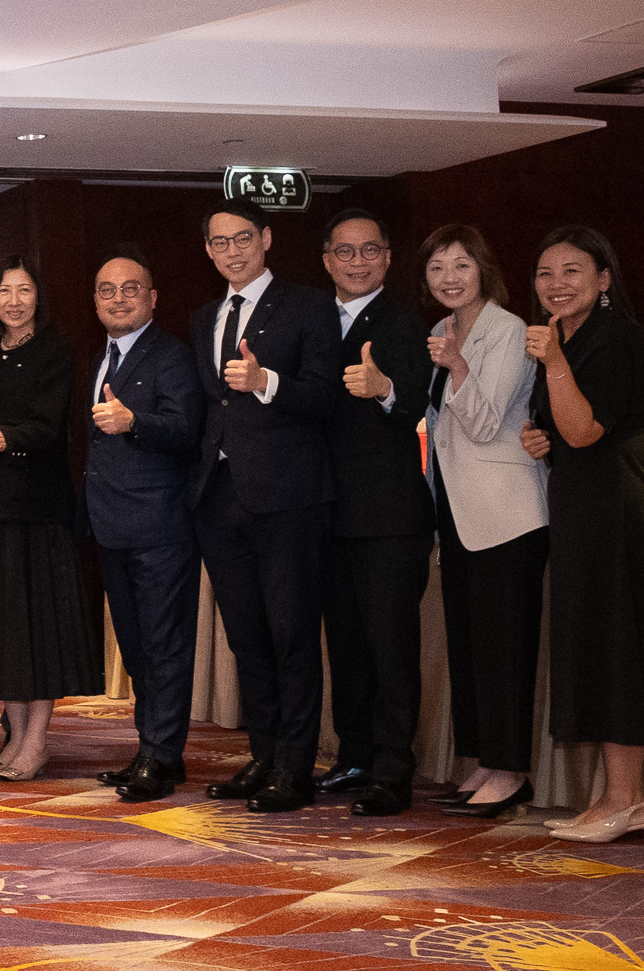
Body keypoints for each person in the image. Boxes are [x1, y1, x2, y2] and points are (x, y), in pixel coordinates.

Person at [189, 201, 343, 812]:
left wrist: (266, 383)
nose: (232, 251)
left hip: (289, 498)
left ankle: (295, 768)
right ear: (208, 250)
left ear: (267, 238)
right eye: (220, 241)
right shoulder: (204, 316)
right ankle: (263, 755)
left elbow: (326, 397)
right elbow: (211, 408)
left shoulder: (308, 306)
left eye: (243, 238)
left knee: (291, 633)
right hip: (221, 497)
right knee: (247, 637)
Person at [523, 227, 644, 843]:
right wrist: (539, 438)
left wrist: (554, 365)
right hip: (581, 510)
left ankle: (625, 800)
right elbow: (564, 430)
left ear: (604, 278)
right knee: (592, 644)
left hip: (616, 511)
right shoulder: (568, 338)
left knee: (619, 649)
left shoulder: (617, 338)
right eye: (545, 273)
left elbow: (585, 431)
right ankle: (613, 797)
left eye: (572, 271)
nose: (555, 284)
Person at [0, 255, 92, 782]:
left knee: (38, 629)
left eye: (24, 290)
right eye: (5, 291)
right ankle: (17, 739)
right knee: (7, 631)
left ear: (38, 296)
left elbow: (48, 425)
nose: (13, 301)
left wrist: (9, 437)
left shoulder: (56, 350)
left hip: (36, 512)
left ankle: (36, 741)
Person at [419, 225, 547, 819]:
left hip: (507, 512)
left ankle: (511, 771)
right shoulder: (441, 331)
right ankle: (484, 762)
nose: (449, 278)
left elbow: (485, 421)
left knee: (504, 647)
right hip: (457, 510)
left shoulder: (509, 330)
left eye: (461, 265)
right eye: (437, 267)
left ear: (484, 269)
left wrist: (457, 366)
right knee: (471, 645)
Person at [315, 209, 434, 817]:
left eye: (369, 251)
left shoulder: (406, 323)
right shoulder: (311, 318)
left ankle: (392, 768)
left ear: (387, 258)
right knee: (346, 646)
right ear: (326, 260)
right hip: (326, 512)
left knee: (390, 646)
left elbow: (416, 403)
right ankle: (355, 754)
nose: (357, 262)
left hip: (390, 516)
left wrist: (384, 388)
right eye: (345, 251)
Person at [78, 251, 204, 801]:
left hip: (160, 525)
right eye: (107, 290)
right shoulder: (100, 357)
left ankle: (161, 754)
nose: (118, 298)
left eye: (131, 288)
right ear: (95, 301)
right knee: (135, 648)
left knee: (163, 645)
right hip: (111, 524)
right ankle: (154, 750)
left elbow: (186, 429)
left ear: (152, 298)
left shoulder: (171, 356)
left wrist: (134, 422)